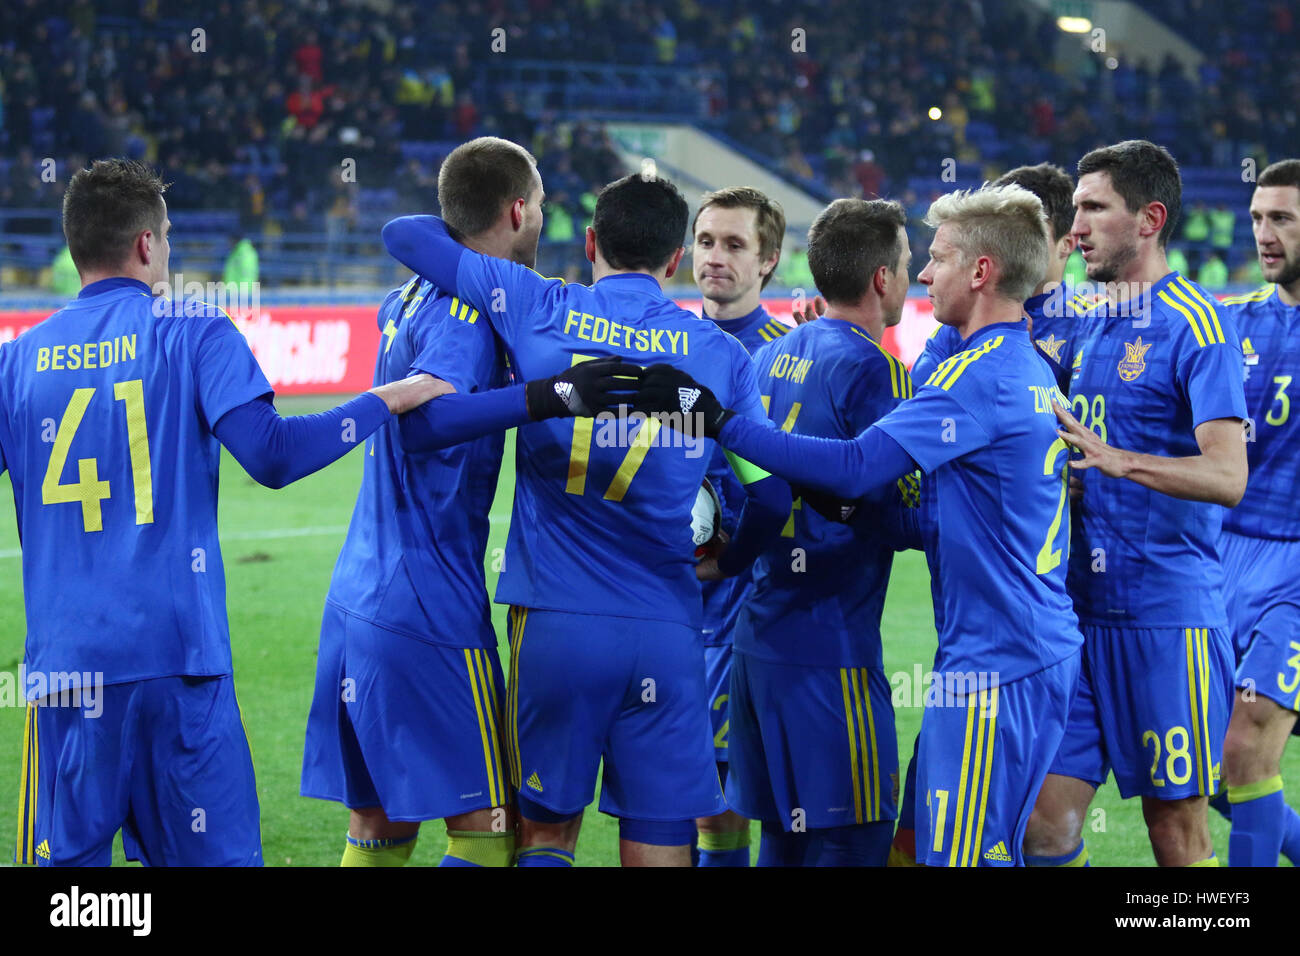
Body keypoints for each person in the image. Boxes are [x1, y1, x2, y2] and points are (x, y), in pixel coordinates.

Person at [7, 159, 445, 867]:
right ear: (148, 244)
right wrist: (385, 399)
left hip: (66, 673)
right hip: (178, 664)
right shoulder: (193, 330)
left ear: (73, 245)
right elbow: (272, 456)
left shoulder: (18, 360)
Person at [633, 183, 1085, 866]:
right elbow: (884, 485)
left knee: (937, 853)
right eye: (917, 261)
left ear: (982, 272)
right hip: (954, 649)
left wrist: (720, 421)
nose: (926, 275)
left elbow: (851, 469)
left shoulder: (974, 376)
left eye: (939, 258)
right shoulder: (1000, 366)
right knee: (892, 844)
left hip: (997, 659)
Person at [381, 172, 791, 867]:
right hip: (666, 624)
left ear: (592, 240)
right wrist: (726, 561)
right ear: (672, 261)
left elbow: (404, 234)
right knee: (663, 835)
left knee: (544, 834)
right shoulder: (720, 355)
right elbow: (774, 497)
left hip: (555, 621)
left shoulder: (536, 303)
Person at [300, 136, 633, 868]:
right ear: (519, 210)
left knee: (379, 824)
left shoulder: (406, 292)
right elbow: (427, 426)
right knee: (489, 828)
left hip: (358, 593)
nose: (543, 217)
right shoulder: (465, 308)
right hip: (428, 602)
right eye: (540, 204)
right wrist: (546, 397)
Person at [1025, 140, 1247, 868]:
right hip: (1077, 617)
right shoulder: (1083, 324)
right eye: (1076, 208)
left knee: (1175, 832)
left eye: (1094, 208)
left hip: (1165, 620)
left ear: (1149, 218)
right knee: (1043, 825)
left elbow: (1227, 476)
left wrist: (1122, 462)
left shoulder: (1196, 324)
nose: (1077, 226)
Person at [728, 198, 914, 866]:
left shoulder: (770, 356)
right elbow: (898, 514)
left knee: (783, 839)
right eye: (907, 264)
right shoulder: (875, 371)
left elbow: (758, 490)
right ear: (882, 280)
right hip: (831, 655)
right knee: (855, 840)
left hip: (760, 640)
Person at [689, 185, 788, 866]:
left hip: (750, 609)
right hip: (665, 606)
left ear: (769, 261)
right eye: (705, 241)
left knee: (728, 799)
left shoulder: (789, 355)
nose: (715, 258)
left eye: (734, 245)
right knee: (673, 803)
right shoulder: (665, 344)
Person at [1214, 159, 1300, 866]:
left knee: (1247, 745)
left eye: (1282, 219)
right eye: (1257, 219)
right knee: (1205, 769)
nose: (1265, 235)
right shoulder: (1231, 322)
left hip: (1296, 569)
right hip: (1220, 557)